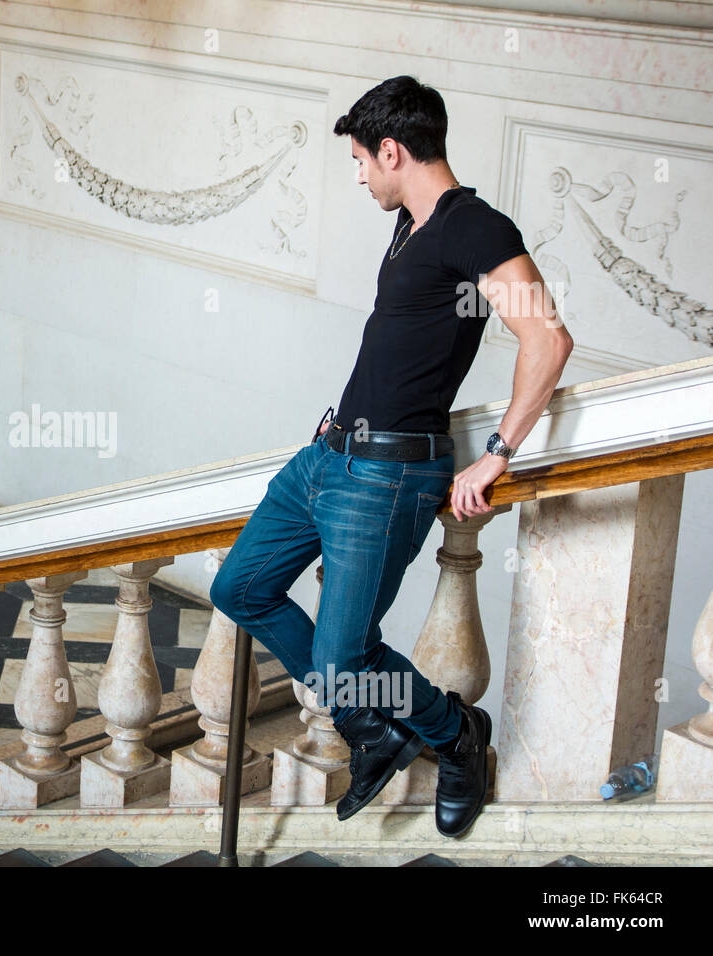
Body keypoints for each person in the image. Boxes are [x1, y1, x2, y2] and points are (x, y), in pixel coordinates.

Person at [209, 75, 573, 837]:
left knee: (345, 662)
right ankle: (374, 728)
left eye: (362, 162)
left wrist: (497, 454)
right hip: (328, 457)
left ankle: (452, 736)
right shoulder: (410, 226)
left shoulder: (475, 226)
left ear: (393, 149)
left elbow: (547, 337)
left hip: (388, 477)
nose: (360, 177)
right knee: (241, 588)